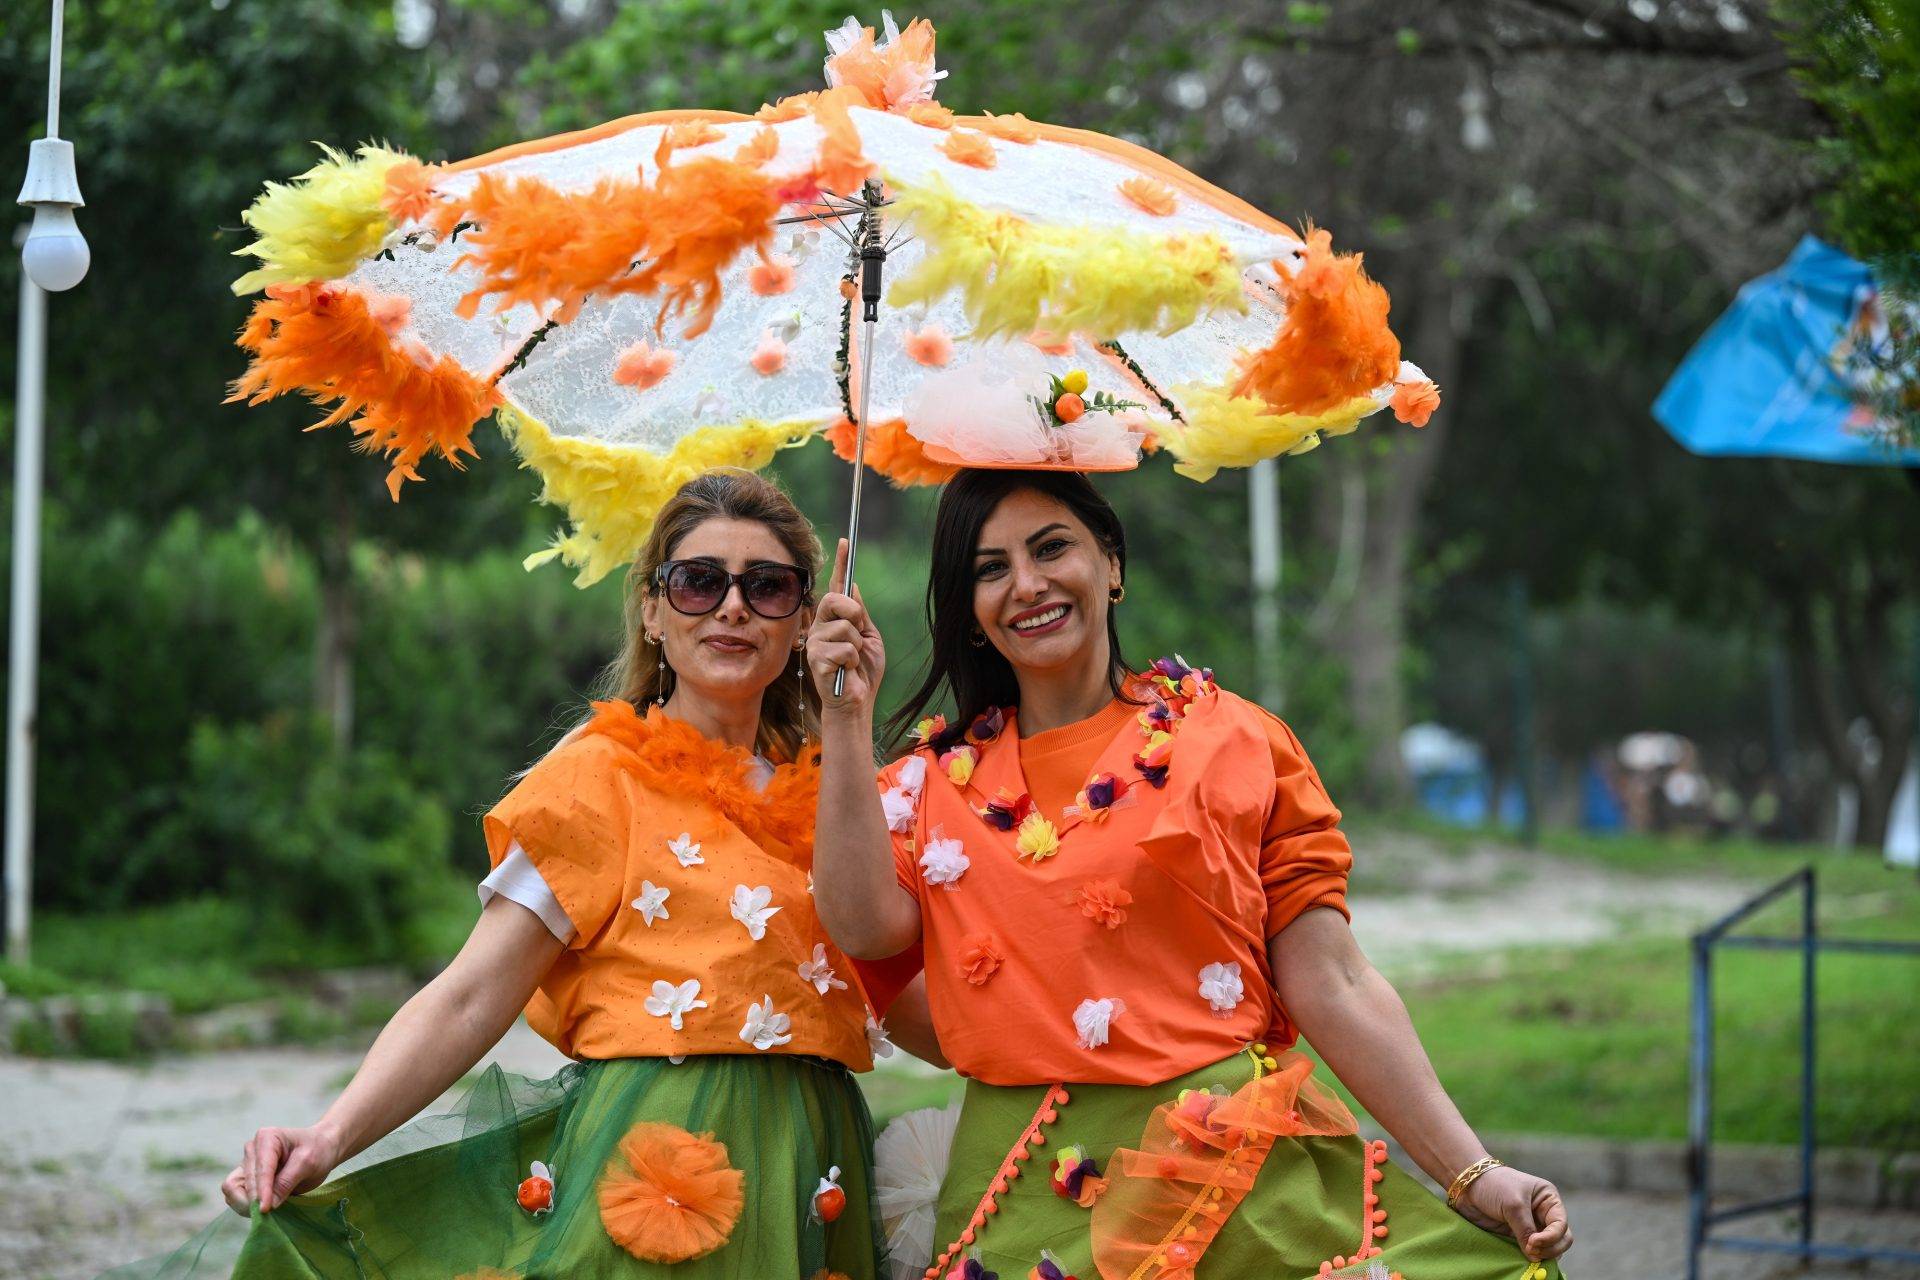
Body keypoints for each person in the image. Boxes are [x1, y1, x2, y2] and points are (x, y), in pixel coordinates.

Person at [113, 469, 891, 1279]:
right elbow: (471, 995)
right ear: (653, 612)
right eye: (699, 582)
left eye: (767, 586)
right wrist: (331, 1135)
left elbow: (906, 987)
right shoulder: (595, 780)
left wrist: (850, 718)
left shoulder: (841, 795)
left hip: (811, 1182)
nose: (732, 606)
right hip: (653, 1184)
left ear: (806, 618)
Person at [807, 468, 1573, 1280]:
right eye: (991, 568)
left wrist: (1472, 1172)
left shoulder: (1235, 739)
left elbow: (1335, 981)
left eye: (1051, 548)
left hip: (1239, 1193)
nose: (1026, 584)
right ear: (968, 608)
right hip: (1029, 1200)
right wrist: (846, 715)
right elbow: (862, 929)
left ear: (1111, 562)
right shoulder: (924, 788)